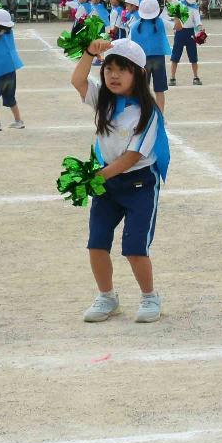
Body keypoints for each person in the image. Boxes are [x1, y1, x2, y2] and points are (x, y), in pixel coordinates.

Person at [72, 37, 169, 325]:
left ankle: (150, 296)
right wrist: (90, 53)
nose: (113, 75)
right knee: (97, 243)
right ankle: (107, 297)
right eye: (109, 68)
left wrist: (96, 178)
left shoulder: (147, 113)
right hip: (107, 181)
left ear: (137, 74)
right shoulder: (103, 99)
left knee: (135, 246)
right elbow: (78, 80)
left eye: (122, 69)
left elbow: (130, 157)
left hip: (139, 183)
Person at [131, 0, 173, 112]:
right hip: (158, 58)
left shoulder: (134, 26)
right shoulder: (161, 22)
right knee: (159, 90)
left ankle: (143, 115)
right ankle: (160, 115)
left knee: (142, 90)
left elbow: (130, 45)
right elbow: (178, 27)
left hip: (141, 61)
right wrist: (177, 13)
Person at [172, 0, 203, 84]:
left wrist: (200, 29)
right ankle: (172, 77)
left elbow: (197, 21)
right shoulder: (179, 4)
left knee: (193, 57)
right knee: (175, 56)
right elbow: (174, 18)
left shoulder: (195, 8)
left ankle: (196, 77)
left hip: (190, 32)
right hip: (180, 32)